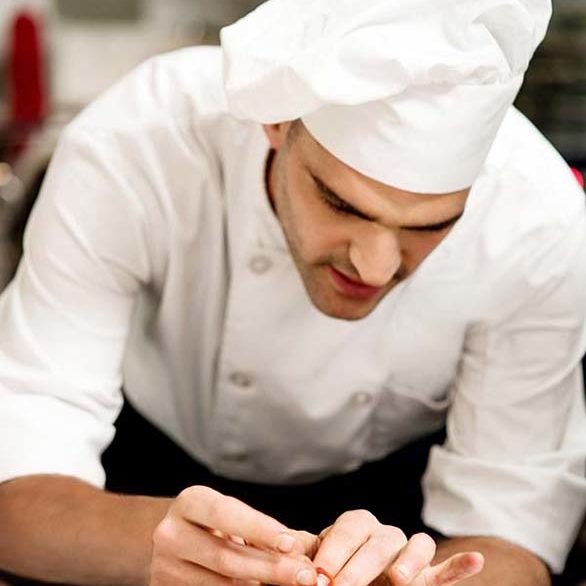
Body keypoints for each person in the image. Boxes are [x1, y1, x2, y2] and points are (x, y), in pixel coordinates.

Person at [0, 0, 585, 585]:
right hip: (134, 479)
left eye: (429, 227)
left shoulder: (539, 224)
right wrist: (150, 548)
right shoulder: (139, 145)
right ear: (277, 123)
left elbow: (514, 534)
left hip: (393, 520)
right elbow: (17, 489)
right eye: (340, 204)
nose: (375, 267)